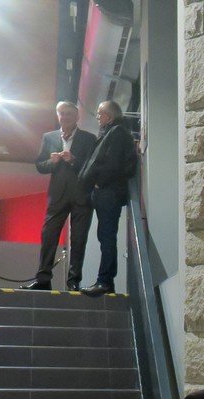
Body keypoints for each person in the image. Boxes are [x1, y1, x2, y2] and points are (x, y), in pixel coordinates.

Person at [24, 102, 97, 291]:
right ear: (58, 116)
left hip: (82, 195)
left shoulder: (89, 138)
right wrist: (53, 161)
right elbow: (40, 166)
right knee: (48, 235)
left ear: (77, 117)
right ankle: (43, 280)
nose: (65, 117)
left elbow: (93, 167)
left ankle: (74, 281)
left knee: (79, 239)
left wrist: (73, 160)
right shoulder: (49, 137)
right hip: (57, 196)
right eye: (62, 113)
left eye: (69, 114)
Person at [77, 100, 137, 296]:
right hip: (107, 192)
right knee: (106, 236)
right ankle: (105, 280)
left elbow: (113, 163)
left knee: (106, 236)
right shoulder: (116, 132)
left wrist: (99, 183)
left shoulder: (116, 133)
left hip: (108, 192)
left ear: (109, 116)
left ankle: (105, 281)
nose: (97, 117)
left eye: (100, 113)